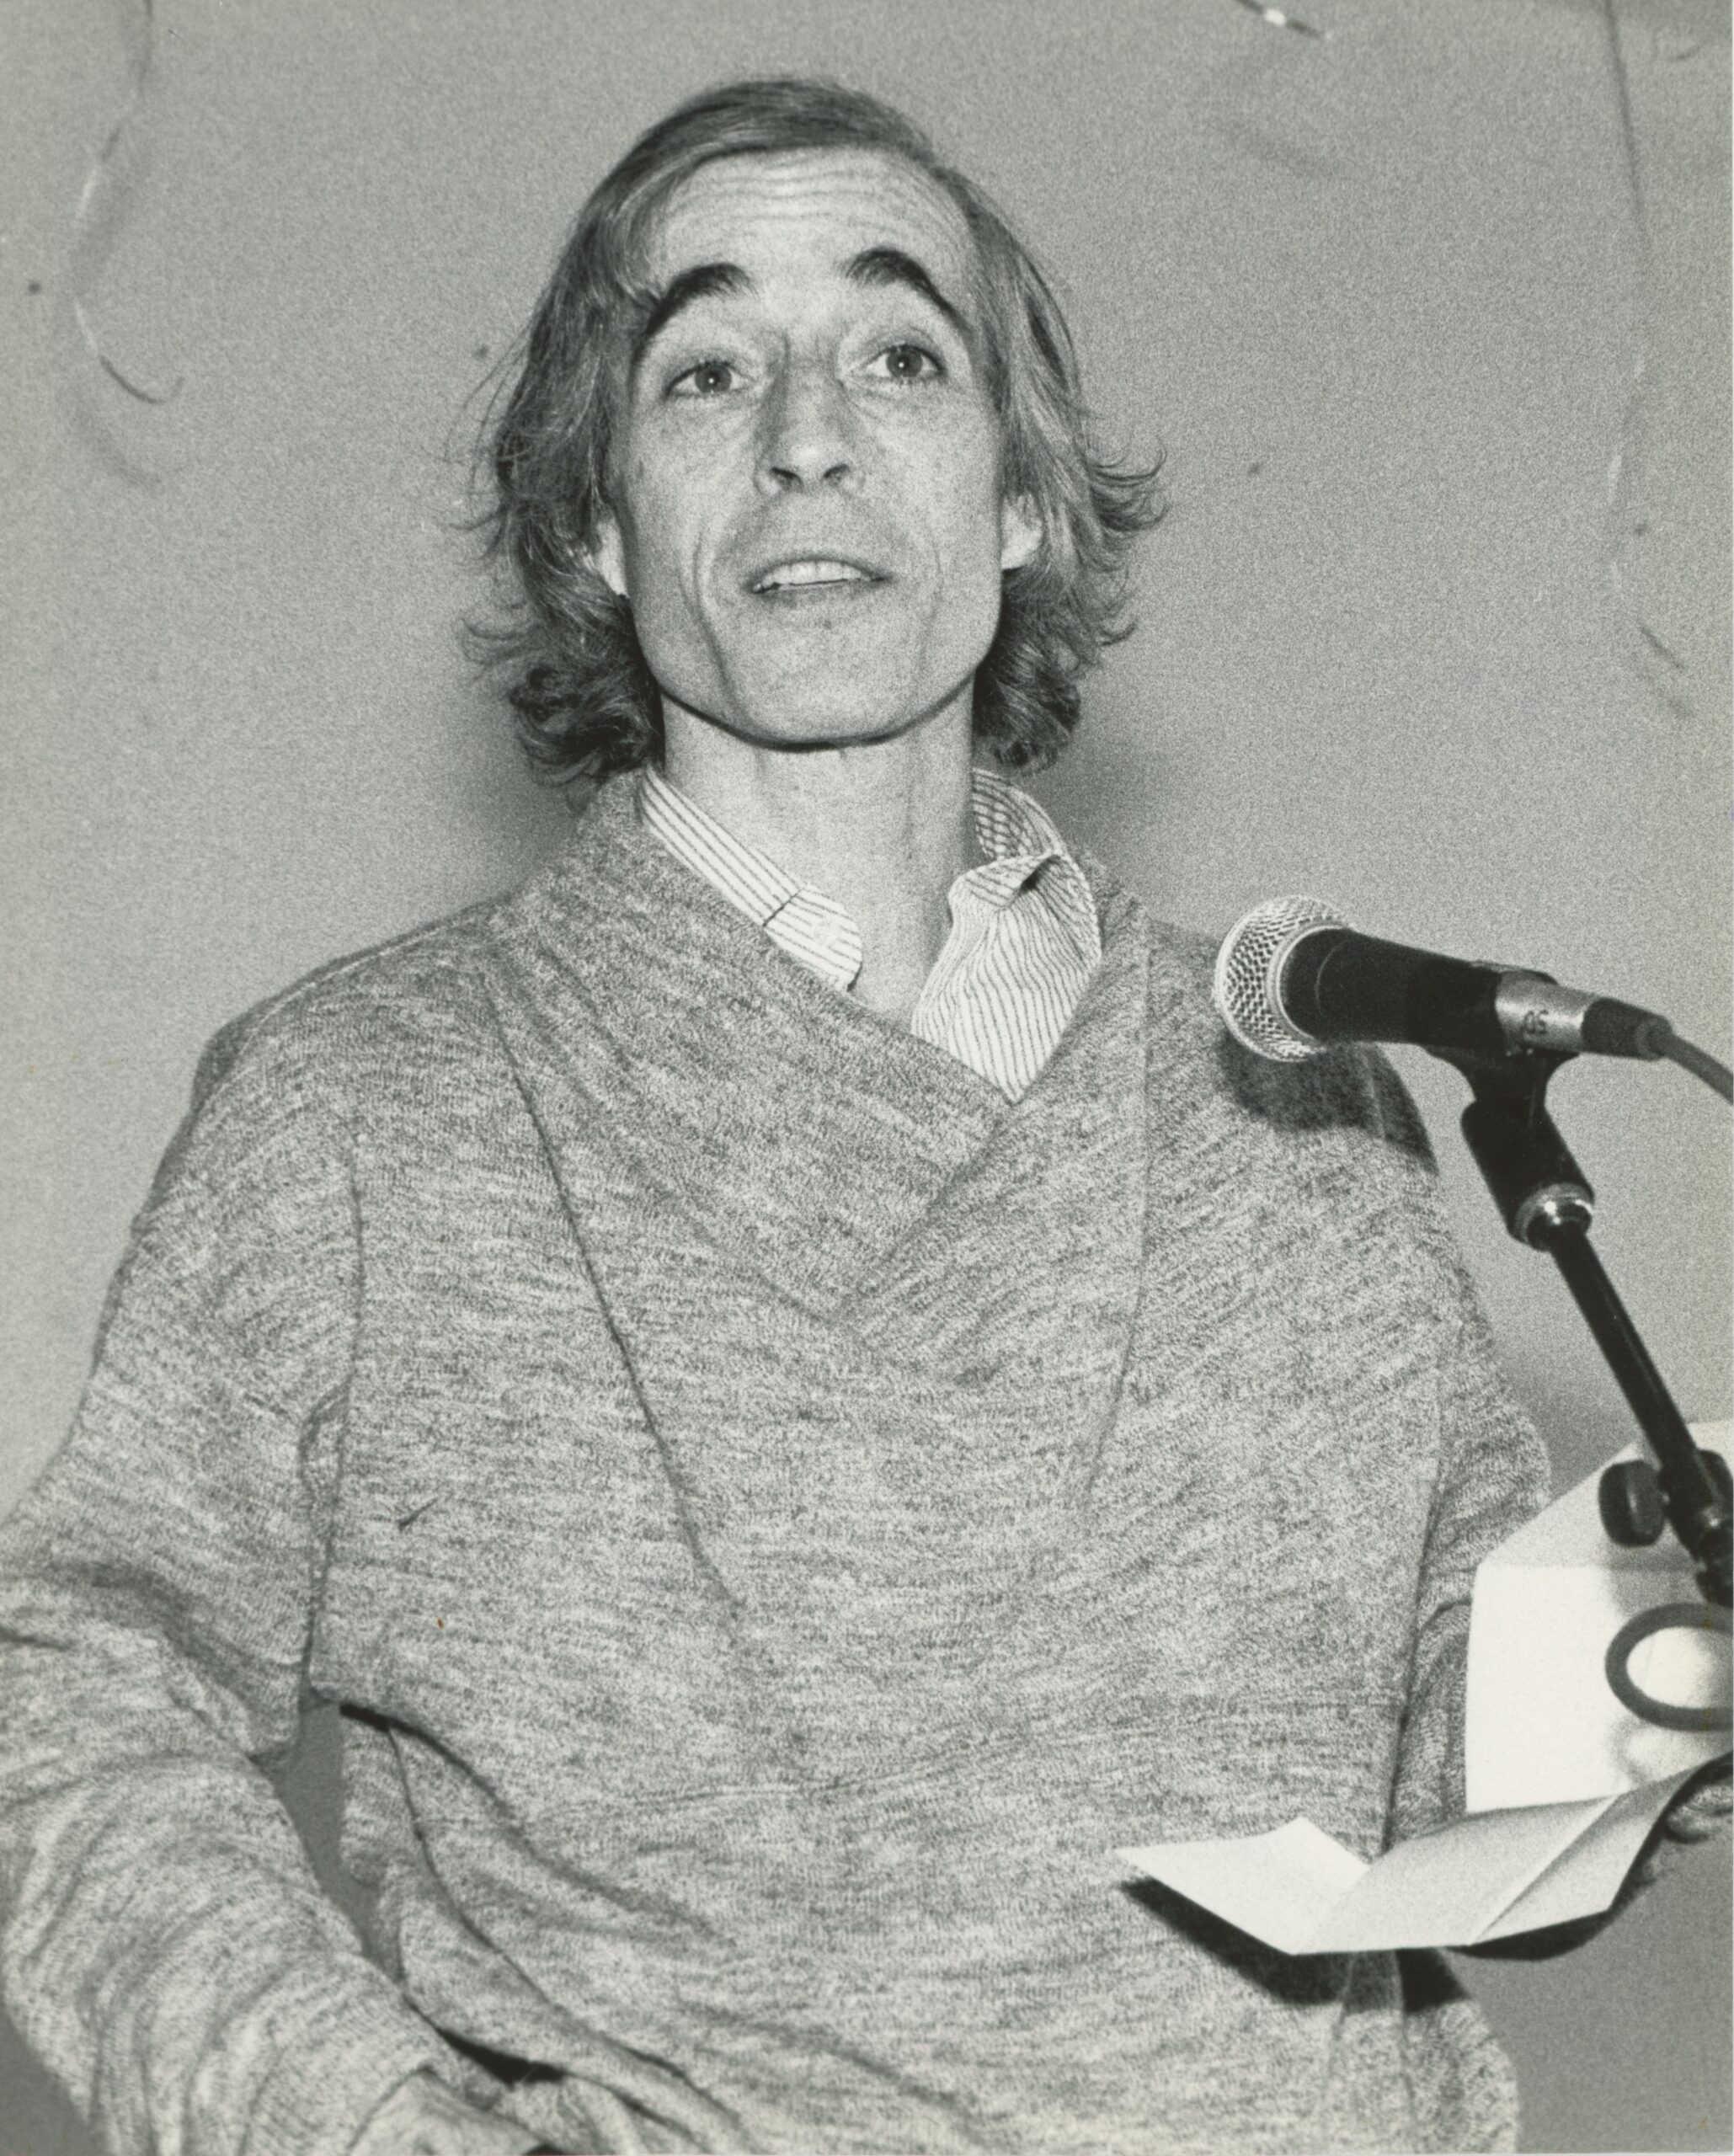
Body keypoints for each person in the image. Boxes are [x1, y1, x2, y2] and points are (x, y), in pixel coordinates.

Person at [0, 76, 1723, 2156]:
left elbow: (1456, 1760)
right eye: (707, 367)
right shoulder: (367, 1112)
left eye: (902, 354)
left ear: (1017, 497)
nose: (808, 432)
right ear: (599, 525)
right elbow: (71, 1690)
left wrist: (1672, 1661)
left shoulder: (1299, 1081)